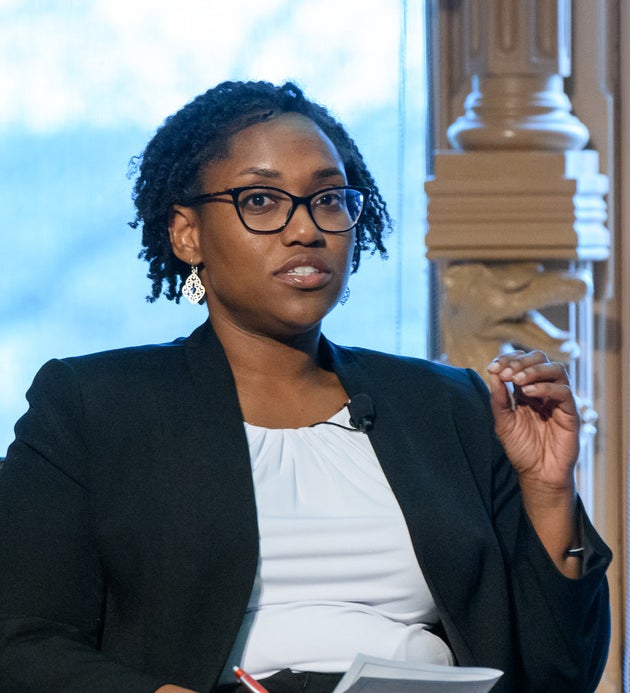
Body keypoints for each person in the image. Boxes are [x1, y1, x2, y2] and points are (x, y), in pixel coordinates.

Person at [0, 80, 611, 693]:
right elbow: (24, 640)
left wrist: (549, 491)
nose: (305, 231)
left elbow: (561, 673)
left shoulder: (448, 406)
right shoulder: (93, 404)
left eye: (328, 199)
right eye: (261, 200)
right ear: (187, 233)